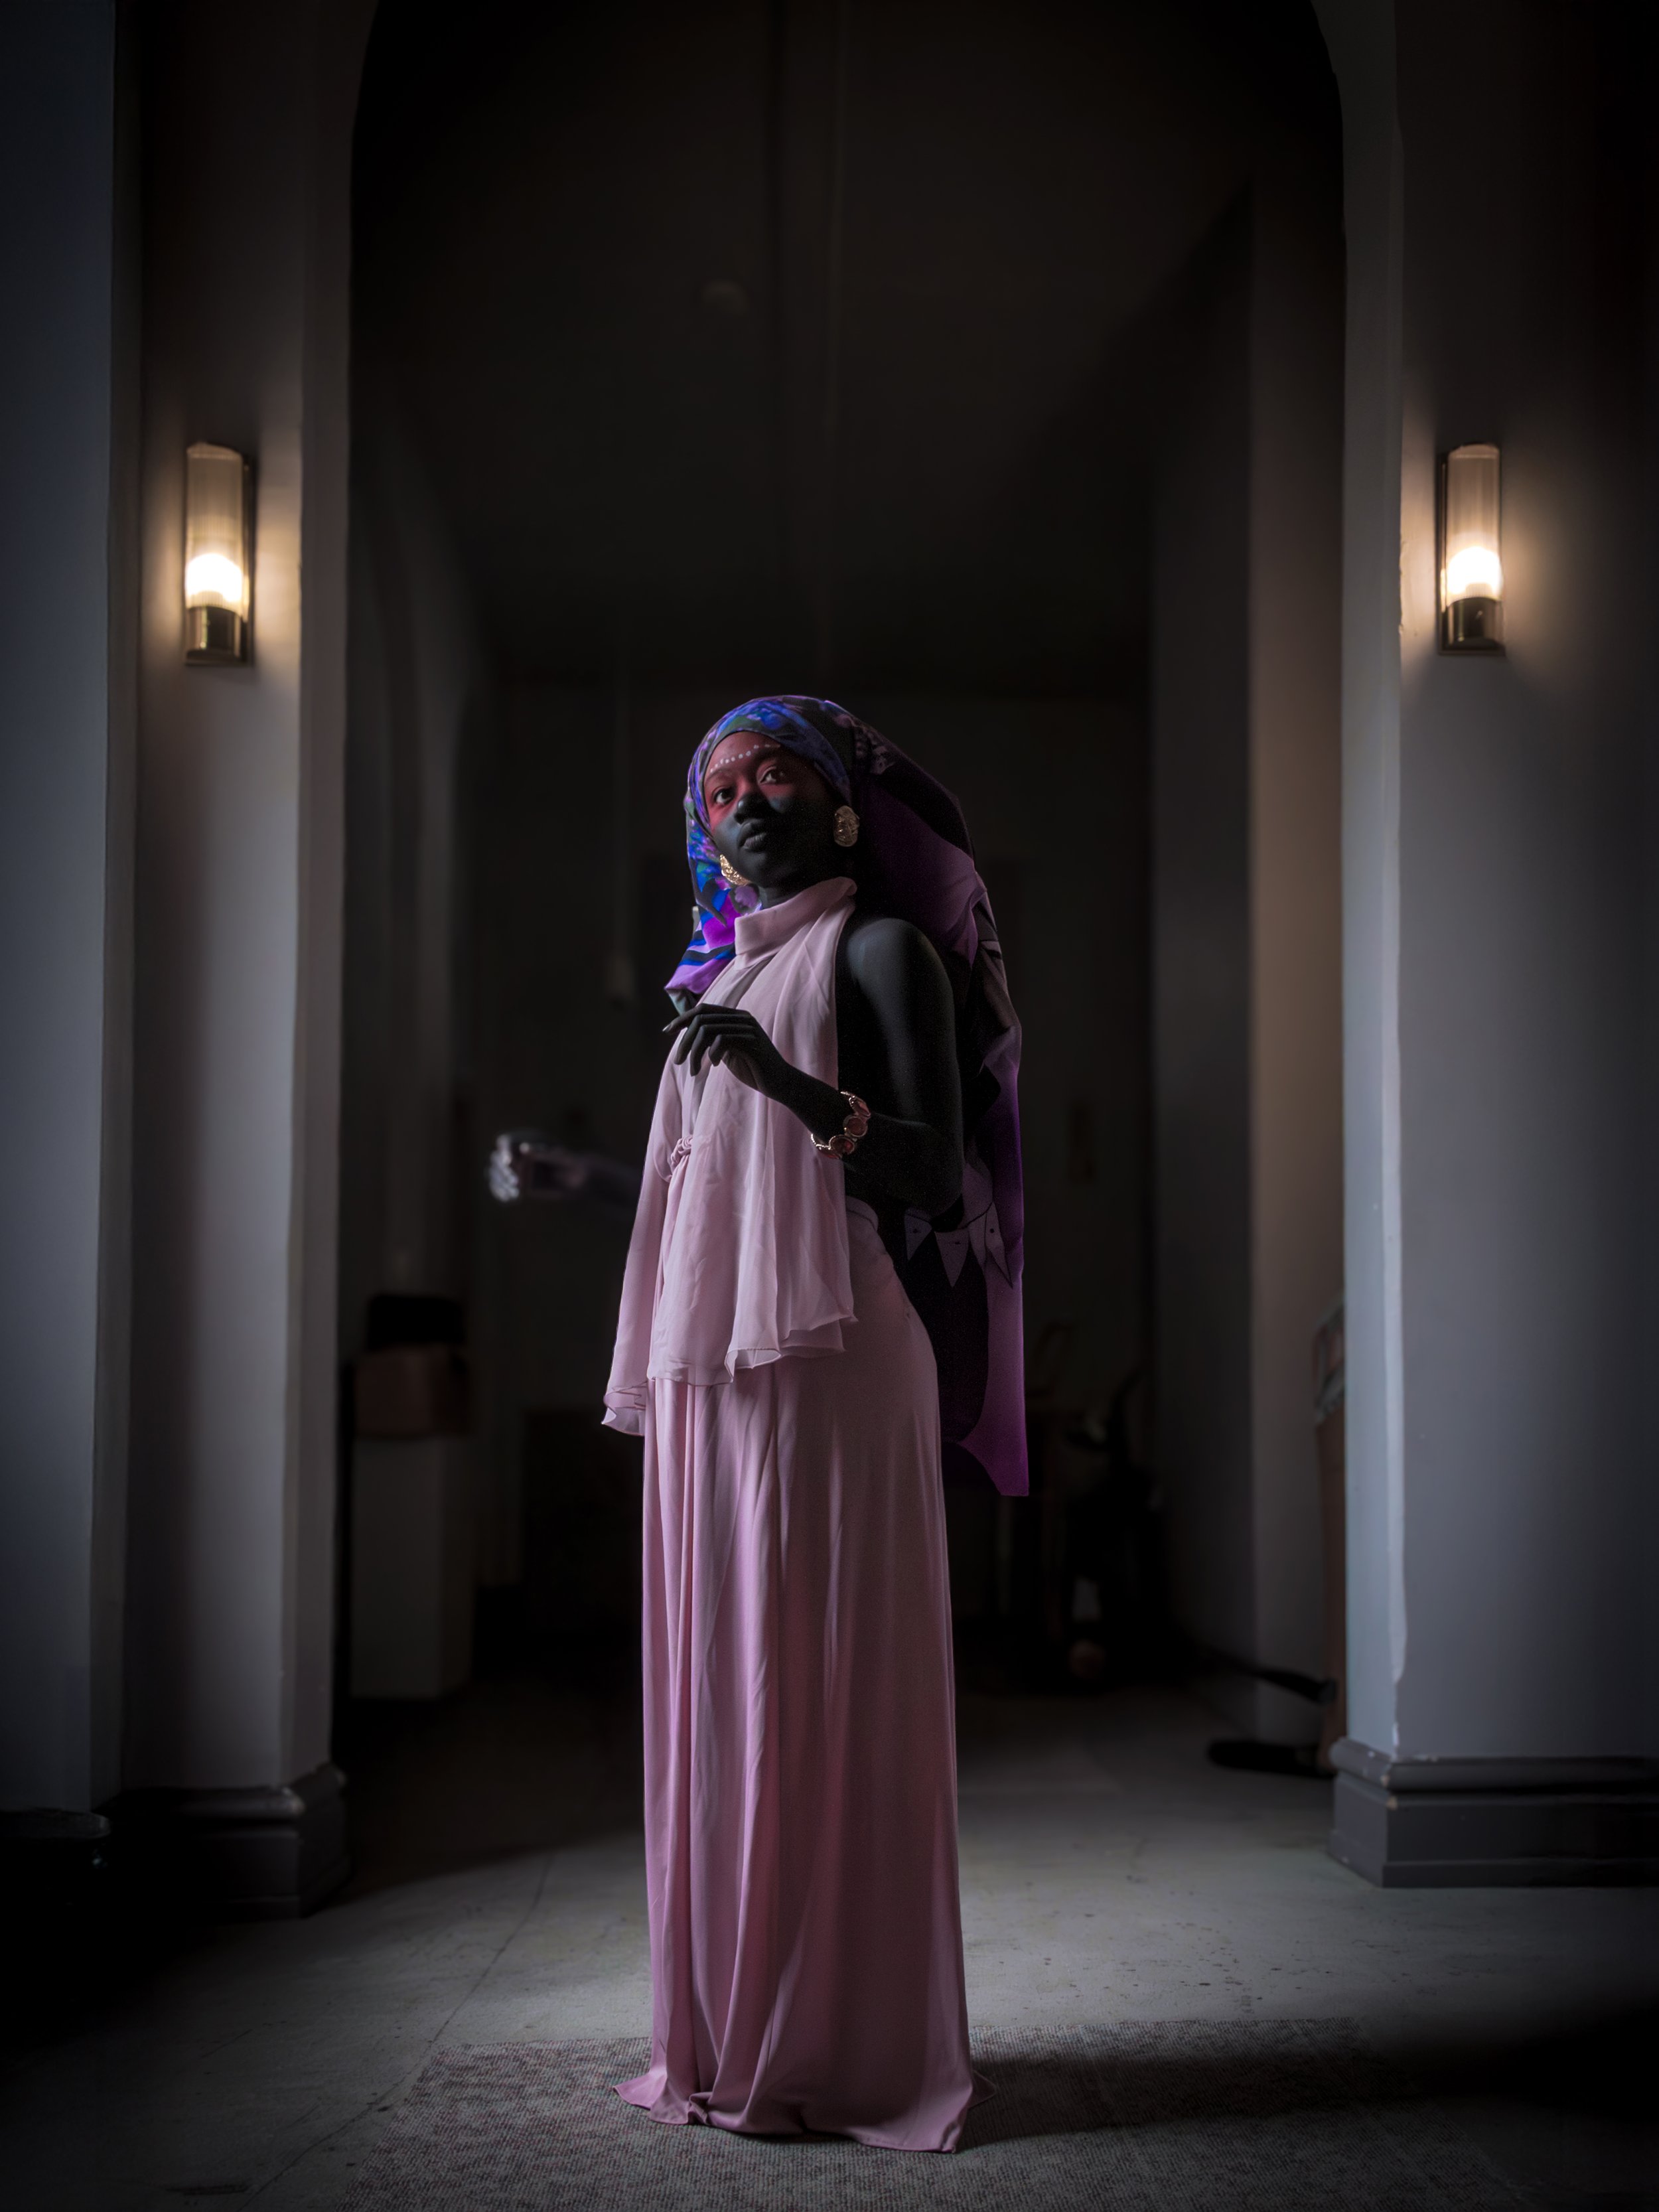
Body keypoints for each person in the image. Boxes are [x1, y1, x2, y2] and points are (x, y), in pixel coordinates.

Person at [602, 696, 1025, 2152]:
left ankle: (844, 2042)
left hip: (838, 1342)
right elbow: (700, 1198)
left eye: (774, 774)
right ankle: (729, 2029)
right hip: (708, 1360)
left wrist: (785, 1078)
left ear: (842, 805)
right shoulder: (711, 986)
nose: (745, 801)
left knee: (822, 1682)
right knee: (725, 1685)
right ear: (706, 840)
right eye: (720, 791)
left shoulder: (880, 950)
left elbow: (930, 1173)